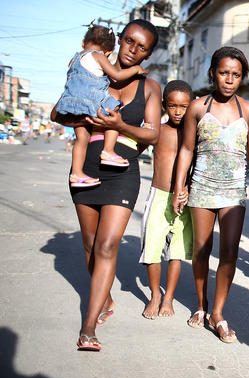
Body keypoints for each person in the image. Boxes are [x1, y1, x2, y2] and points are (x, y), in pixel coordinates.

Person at [51, 19, 162, 351]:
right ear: (120, 41)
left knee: (106, 246)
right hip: (86, 167)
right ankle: (106, 299)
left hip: (122, 169)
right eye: (129, 41)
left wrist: (120, 124)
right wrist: (80, 116)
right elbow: (58, 112)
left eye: (142, 47)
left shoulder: (150, 87)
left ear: (149, 53)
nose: (133, 49)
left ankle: (88, 327)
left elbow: (153, 134)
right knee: (89, 246)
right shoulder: (91, 70)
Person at [172, 46, 249, 343]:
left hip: (234, 190)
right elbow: (187, 149)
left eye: (236, 74)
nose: (229, 79)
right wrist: (180, 187)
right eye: (224, 73)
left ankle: (218, 312)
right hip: (202, 186)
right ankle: (200, 306)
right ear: (212, 73)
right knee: (201, 250)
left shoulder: (248, 110)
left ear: (242, 77)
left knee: (229, 252)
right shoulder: (198, 107)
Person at [55, 22, 148, 188]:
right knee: (113, 110)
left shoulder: (74, 59)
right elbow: (118, 75)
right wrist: (136, 70)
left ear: (84, 42)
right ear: (108, 52)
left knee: (81, 139)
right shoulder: (98, 56)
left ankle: (76, 173)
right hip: (89, 102)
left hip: (70, 104)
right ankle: (108, 151)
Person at [139, 80, 193, 319]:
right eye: (172, 106)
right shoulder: (157, 130)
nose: (178, 112)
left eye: (183, 106)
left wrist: (189, 188)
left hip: (184, 199)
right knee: (152, 248)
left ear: (191, 106)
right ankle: (154, 295)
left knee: (176, 252)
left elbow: (200, 165)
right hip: (159, 196)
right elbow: (133, 149)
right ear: (164, 106)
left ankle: (168, 296)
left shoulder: (196, 134)